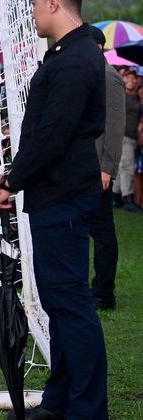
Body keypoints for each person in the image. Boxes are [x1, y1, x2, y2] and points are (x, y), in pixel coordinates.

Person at [0, 0, 108, 419]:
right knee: (59, 303)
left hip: (64, 197)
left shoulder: (77, 59)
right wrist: (14, 176)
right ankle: (61, 402)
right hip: (53, 195)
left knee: (72, 305)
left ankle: (88, 410)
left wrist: (11, 180)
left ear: (54, 3)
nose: (34, 13)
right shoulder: (67, 54)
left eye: (36, 5)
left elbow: (52, 137)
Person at [88, 26, 125, 311]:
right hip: (84, 165)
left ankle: (104, 291)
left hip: (98, 167)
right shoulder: (90, 73)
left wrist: (107, 168)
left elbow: (114, 128)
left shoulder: (109, 78)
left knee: (102, 231)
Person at [113, 68, 142, 211]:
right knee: (127, 167)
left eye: (133, 78)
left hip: (130, 137)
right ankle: (128, 199)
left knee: (121, 167)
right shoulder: (121, 95)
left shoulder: (136, 97)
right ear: (122, 79)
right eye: (127, 78)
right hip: (124, 135)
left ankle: (116, 197)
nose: (131, 80)